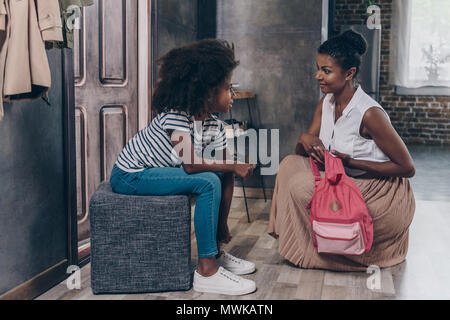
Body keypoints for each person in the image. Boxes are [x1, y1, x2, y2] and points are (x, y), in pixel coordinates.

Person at [110, 39, 257, 295]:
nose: (233, 95)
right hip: (131, 175)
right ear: (208, 92)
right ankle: (206, 271)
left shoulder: (215, 126)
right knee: (207, 179)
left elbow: (226, 173)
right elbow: (190, 165)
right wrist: (234, 164)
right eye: (228, 88)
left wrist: (223, 226)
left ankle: (216, 252)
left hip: (155, 174)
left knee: (219, 176)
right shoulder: (176, 115)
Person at [268, 30, 416, 271]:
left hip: (378, 188)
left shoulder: (369, 113)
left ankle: (322, 251)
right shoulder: (326, 103)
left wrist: (352, 162)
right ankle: (294, 241)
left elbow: (407, 168)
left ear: (349, 73)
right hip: (343, 177)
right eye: (318, 68)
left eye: (326, 70)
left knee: (300, 188)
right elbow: (302, 152)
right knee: (288, 165)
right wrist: (305, 139)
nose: (318, 76)